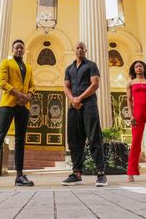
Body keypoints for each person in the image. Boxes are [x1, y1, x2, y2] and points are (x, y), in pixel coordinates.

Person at [0, 39, 36, 189]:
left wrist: (29, 96)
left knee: (21, 140)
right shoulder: (5, 63)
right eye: (16, 48)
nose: (19, 50)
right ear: (12, 50)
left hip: (23, 106)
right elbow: (2, 83)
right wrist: (20, 94)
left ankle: (19, 175)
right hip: (8, 104)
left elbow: (33, 86)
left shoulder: (28, 67)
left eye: (21, 48)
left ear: (24, 49)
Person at [61, 41, 107, 187]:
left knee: (94, 138)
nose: (80, 49)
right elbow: (66, 86)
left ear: (85, 50)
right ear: (74, 50)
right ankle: (76, 173)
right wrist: (72, 99)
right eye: (77, 47)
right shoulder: (69, 68)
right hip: (73, 106)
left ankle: (101, 173)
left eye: (82, 47)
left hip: (89, 105)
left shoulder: (91, 65)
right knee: (74, 141)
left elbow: (95, 84)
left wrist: (80, 98)